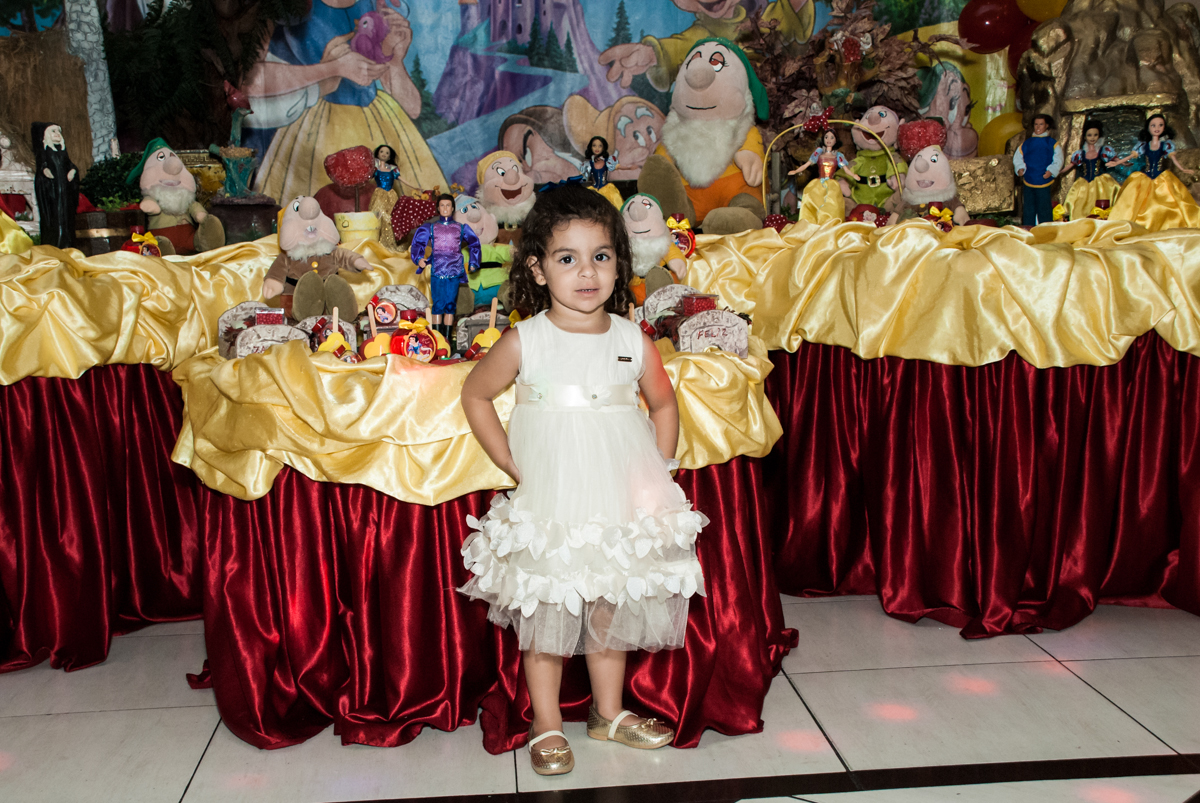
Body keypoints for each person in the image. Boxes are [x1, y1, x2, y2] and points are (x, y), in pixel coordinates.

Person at [458, 184, 707, 776]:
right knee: (549, 608)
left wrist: (659, 472)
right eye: (567, 258)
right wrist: (510, 464)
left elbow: (663, 406)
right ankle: (546, 722)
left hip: (618, 500)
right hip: (551, 501)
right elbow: (476, 394)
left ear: (620, 263)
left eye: (601, 255)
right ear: (539, 270)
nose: (587, 272)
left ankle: (608, 711)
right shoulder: (527, 339)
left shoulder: (631, 338)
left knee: (607, 606)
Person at [1108, 113, 1200, 231]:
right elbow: (1130, 156)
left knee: (1168, 200)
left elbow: (1174, 159)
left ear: (1164, 128)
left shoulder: (1166, 145)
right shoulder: (1143, 146)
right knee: (1136, 201)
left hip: (1161, 177)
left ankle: (1166, 221)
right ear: (1148, 128)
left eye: (1160, 125)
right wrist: (1117, 162)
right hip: (1145, 177)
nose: (1157, 128)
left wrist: (1183, 169)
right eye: (1153, 125)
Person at [410, 193, 481, 341]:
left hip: (454, 272)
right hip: (437, 270)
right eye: (442, 205)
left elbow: (474, 243)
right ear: (438, 208)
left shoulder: (460, 228)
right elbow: (418, 243)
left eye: (448, 205)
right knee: (437, 305)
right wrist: (419, 258)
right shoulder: (431, 227)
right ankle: (437, 339)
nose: (445, 208)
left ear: (453, 208)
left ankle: (447, 339)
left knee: (450, 305)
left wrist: (474, 262)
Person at [793, 129, 859, 225]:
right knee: (812, 200)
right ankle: (810, 225)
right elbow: (807, 164)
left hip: (832, 184)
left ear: (836, 140)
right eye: (826, 137)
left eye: (832, 137)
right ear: (823, 139)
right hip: (818, 183)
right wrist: (796, 171)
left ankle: (831, 225)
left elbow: (846, 169)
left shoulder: (838, 155)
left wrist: (853, 175)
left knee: (833, 205)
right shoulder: (818, 153)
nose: (829, 139)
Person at [1059, 120, 1120, 221]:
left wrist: (1124, 162)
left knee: (1102, 200)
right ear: (1085, 137)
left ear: (1099, 136)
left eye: (1095, 135)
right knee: (1080, 203)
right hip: (1084, 183)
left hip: (1101, 183)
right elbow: (1071, 165)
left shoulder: (1103, 150)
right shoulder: (1080, 153)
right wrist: (1060, 172)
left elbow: (1116, 160)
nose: (1092, 138)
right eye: (1089, 135)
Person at [1014, 114, 1064, 226]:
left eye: (1041, 124)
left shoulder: (1051, 143)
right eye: (1036, 124)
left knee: (1044, 207)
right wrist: (1020, 168)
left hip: (1043, 179)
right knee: (1028, 207)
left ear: (1046, 126)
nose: (1038, 127)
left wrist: (1051, 170)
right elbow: (1018, 157)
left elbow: (1058, 159)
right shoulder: (1027, 143)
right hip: (1029, 178)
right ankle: (1028, 227)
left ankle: (1045, 228)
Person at [370, 144, 401, 248]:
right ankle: (377, 242)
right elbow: (367, 177)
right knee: (377, 216)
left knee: (391, 218)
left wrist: (415, 187)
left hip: (391, 196)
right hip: (379, 195)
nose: (384, 154)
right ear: (378, 153)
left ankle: (391, 243)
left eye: (387, 153)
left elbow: (401, 179)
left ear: (389, 157)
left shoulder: (393, 169)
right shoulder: (375, 168)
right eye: (382, 152)